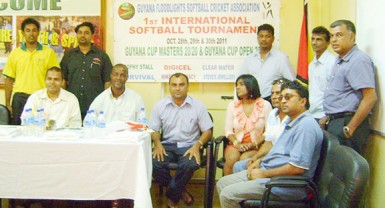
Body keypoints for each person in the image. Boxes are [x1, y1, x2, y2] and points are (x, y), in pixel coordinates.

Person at [217, 81, 323, 208]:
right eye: (281, 97)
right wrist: (260, 161)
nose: (283, 101)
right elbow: (277, 149)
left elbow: (297, 167)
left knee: (228, 194)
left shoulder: (306, 126)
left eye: (288, 97)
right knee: (222, 183)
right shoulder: (291, 121)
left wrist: (263, 173)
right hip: (270, 172)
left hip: (285, 184)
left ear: (303, 102)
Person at [148, 73, 213, 208]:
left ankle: (172, 197)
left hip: (189, 146)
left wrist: (198, 145)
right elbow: (153, 129)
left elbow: (207, 130)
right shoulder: (160, 106)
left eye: (181, 85)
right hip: (167, 145)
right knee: (153, 163)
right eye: (174, 85)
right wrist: (157, 143)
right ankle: (181, 192)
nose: (178, 88)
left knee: (190, 164)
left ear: (187, 87)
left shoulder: (198, 106)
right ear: (169, 88)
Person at [322, 20, 377, 155]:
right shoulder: (340, 59)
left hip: (347, 123)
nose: (334, 40)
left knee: (346, 172)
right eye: (332, 36)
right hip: (335, 122)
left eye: (339, 35)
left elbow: (370, 97)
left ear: (351, 37)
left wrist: (350, 128)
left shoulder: (358, 60)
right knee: (333, 169)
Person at [3, 17, 59, 125]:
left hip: (41, 97)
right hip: (20, 98)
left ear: (38, 32)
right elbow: (9, 80)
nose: (31, 33)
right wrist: (7, 103)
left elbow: (55, 77)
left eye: (34, 30)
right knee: (19, 131)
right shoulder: (15, 53)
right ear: (23, 33)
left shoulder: (48, 53)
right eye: (28, 30)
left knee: (43, 129)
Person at [232, 78, 291, 173]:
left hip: (278, 162)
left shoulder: (292, 118)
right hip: (269, 156)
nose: (274, 97)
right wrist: (255, 158)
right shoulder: (273, 114)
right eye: (272, 93)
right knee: (237, 166)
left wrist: (260, 160)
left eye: (278, 93)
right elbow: (269, 143)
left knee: (242, 167)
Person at [60, 21, 113, 119]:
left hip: (95, 106)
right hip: (72, 106)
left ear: (92, 35)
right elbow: (63, 82)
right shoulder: (69, 56)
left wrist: (106, 104)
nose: (82, 35)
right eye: (80, 32)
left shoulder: (102, 55)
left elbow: (107, 82)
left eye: (86, 33)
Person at [223, 74, 272, 175]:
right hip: (236, 144)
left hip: (256, 146)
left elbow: (269, 132)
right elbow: (228, 131)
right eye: (237, 84)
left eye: (241, 84)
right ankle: (226, 187)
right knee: (232, 159)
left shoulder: (265, 105)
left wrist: (254, 144)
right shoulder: (232, 105)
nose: (237, 87)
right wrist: (237, 143)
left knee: (244, 160)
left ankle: (241, 189)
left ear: (251, 85)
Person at [239, 23, 295, 101]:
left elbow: (291, 82)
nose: (264, 39)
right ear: (257, 38)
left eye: (267, 36)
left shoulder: (281, 58)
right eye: (261, 36)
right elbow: (241, 81)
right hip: (252, 101)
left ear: (273, 38)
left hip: (273, 101)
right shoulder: (250, 59)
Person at [308, 26, 336, 122]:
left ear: (328, 42)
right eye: (313, 39)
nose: (314, 43)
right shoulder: (311, 65)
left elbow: (334, 92)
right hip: (312, 113)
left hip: (325, 115)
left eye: (319, 39)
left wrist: (327, 116)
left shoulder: (333, 63)